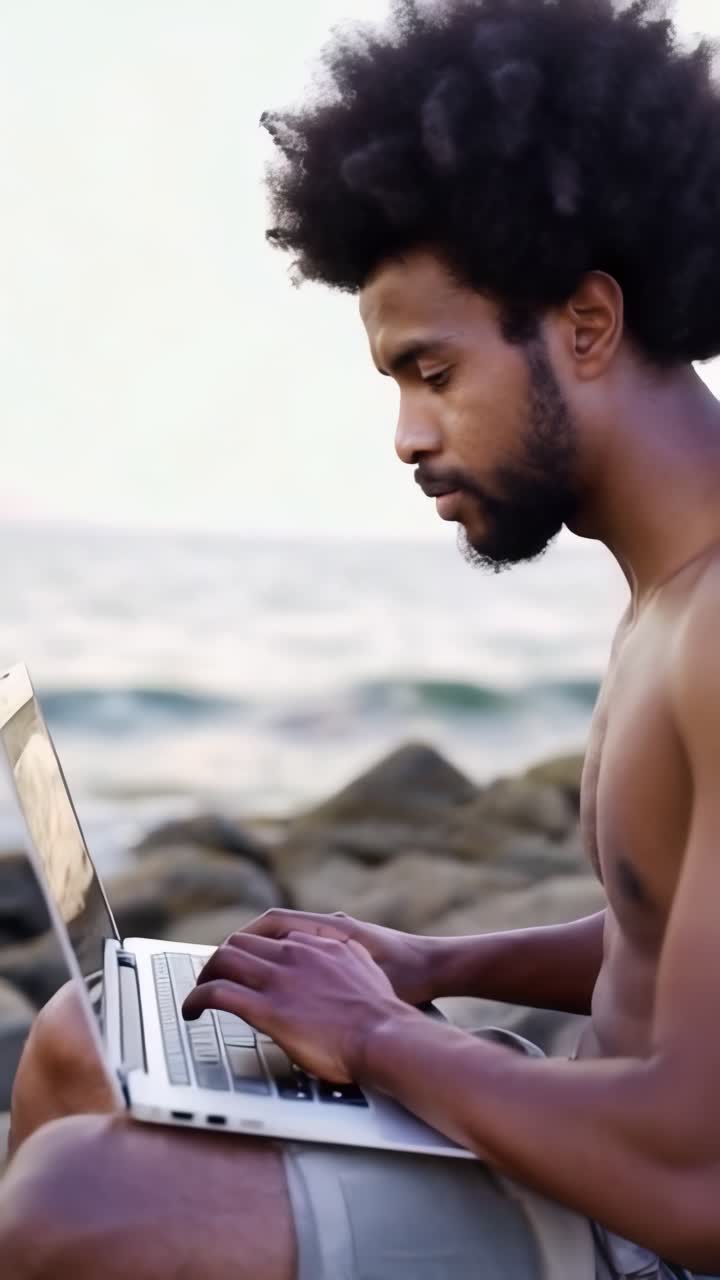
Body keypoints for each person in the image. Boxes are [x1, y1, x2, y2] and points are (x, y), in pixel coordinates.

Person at [3, 0, 720, 1274]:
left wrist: (383, 1037)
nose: (406, 435)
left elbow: (698, 1169)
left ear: (588, 324)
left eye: (432, 372)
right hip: (601, 1134)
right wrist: (432, 959)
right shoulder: (669, 594)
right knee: (82, 1029)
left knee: (82, 1203)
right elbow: (669, 928)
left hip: (653, 1210)